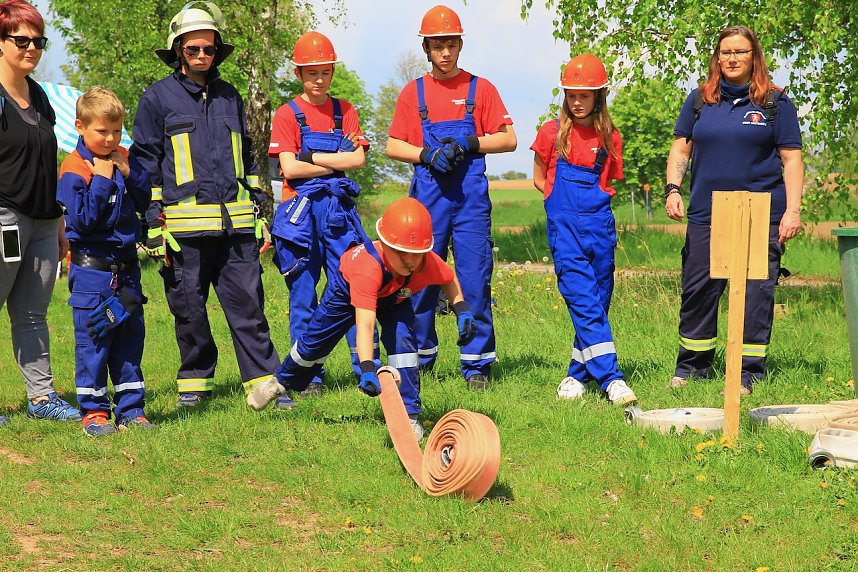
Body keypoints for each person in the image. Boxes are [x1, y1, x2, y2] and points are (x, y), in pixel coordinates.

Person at [131, 1, 280, 407]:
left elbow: (248, 156)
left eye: (209, 48)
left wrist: (258, 209)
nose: (201, 55)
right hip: (182, 230)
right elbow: (145, 163)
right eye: (193, 48)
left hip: (236, 227)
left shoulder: (230, 96)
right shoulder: (157, 98)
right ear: (178, 49)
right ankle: (195, 386)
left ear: (217, 50)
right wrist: (153, 220)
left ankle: (266, 385)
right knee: (190, 311)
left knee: (250, 308)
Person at [246, 198, 476, 441]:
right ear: (385, 245)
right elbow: (365, 324)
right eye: (402, 254)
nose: (409, 261)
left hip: (394, 298)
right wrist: (367, 368)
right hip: (345, 292)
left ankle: (409, 416)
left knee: (404, 344)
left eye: (416, 254)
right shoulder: (368, 268)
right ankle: (279, 382)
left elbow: (448, 278)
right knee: (314, 345)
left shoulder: (425, 262)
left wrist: (462, 310)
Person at [665, 25, 804, 394]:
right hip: (707, 214)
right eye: (725, 52)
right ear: (717, 58)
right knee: (698, 292)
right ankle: (692, 369)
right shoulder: (700, 100)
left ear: (753, 57)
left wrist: (792, 211)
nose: (732, 58)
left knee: (756, 295)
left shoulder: (775, 102)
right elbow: (681, 148)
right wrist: (673, 188)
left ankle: (747, 374)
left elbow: (791, 159)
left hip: (761, 214)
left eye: (740, 51)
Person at [386, 5, 516, 390]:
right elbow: (393, 145)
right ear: (426, 48)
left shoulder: (481, 88)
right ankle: (421, 359)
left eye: (451, 45)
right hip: (428, 199)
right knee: (419, 279)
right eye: (438, 46)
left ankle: (477, 366)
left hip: (470, 201)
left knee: (474, 279)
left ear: (460, 45)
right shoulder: (413, 92)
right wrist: (425, 154)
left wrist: (471, 142)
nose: (445, 53)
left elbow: (508, 139)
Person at [268, 31, 369, 408]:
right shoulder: (286, 114)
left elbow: (358, 160)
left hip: (338, 213)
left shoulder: (346, 111)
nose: (319, 79)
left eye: (325, 72)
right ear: (298, 73)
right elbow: (290, 168)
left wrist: (311, 158)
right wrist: (334, 162)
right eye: (312, 73)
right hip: (299, 215)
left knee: (354, 288)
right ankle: (307, 375)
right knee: (303, 296)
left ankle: (365, 369)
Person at [531, 54, 637, 406]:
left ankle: (576, 375)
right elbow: (539, 178)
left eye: (584, 95)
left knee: (597, 302)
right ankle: (611, 379)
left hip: (599, 228)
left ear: (598, 96)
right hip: (565, 232)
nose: (577, 102)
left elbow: (608, 183)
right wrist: (556, 203)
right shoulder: (550, 133)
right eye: (571, 95)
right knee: (583, 300)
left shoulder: (610, 137)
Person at [0, 0, 81, 426]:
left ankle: (42, 397)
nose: (31, 48)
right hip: (5, 219)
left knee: (33, 314)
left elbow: (49, 161)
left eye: (38, 41)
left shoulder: (41, 96)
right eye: (21, 40)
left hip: (46, 222)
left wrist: (61, 222)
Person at [57, 87, 154, 436]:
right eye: (102, 131)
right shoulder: (74, 168)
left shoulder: (122, 156)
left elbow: (144, 199)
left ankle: (131, 410)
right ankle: (94, 413)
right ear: (81, 126)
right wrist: (100, 178)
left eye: (116, 130)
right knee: (94, 342)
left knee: (129, 339)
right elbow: (82, 221)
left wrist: (128, 173)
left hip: (127, 272)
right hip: (92, 274)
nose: (110, 138)